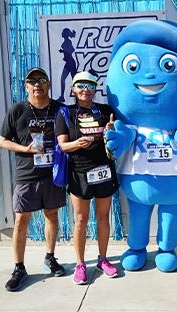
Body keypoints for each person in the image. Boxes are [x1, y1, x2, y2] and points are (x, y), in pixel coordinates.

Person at [0, 67, 66, 292]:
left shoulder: (60, 109)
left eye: (42, 80)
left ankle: (50, 257)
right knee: (21, 221)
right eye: (32, 81)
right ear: (26, 86)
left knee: (52, 215)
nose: (37, 84)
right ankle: (19, 268)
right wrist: (25, 149)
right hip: (26, 174)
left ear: (48, 85)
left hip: (53, 173)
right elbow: (2, 141)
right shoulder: (17, 110)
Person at [55, 71, 119, 285]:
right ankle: (81, 264)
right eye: (80, 85)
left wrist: (111, 131)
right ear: (73, 89)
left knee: (103, 218)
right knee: (81, 220)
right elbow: (63, 145)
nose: (85, 89)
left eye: (90, 85)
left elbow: (118, 140)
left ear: (95, 89)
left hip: (103, 171)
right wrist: (77, 144)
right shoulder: (65, 113)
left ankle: (103, 259)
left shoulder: (106, 111)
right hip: (79, 172)